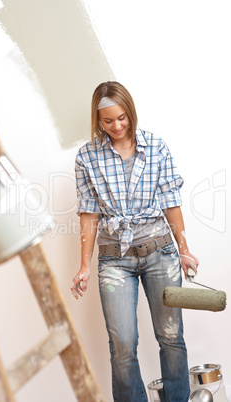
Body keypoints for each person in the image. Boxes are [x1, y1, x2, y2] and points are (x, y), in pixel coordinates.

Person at [71, 81, 199, 402]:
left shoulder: (156, 147)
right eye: (108, 121)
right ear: (98, 120)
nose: (116, 126)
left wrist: (184, 251)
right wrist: (84, 266)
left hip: (161, 254)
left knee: (171, 337)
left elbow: (171, 201)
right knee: (123, 344)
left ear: (131, 112)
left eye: (122, 118)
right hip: (115, 260)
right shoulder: (87, 157)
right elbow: (89, 214)